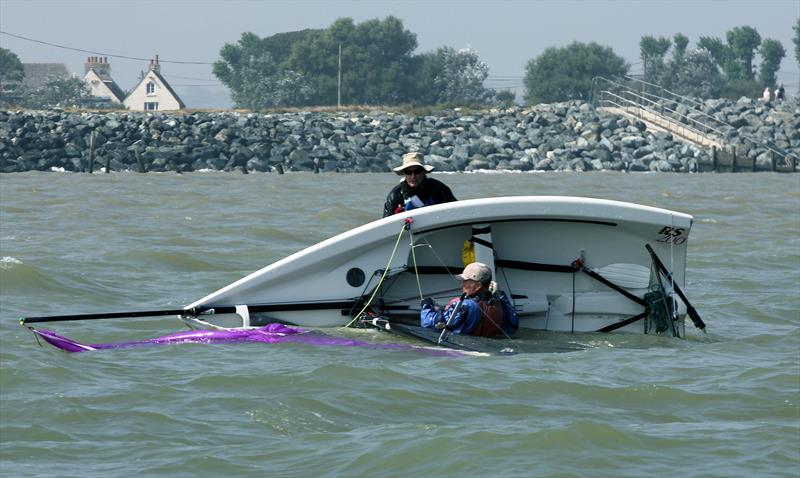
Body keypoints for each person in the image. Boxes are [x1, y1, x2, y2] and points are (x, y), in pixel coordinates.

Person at [420, 262, 519, 337]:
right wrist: (500, 296)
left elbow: (428, 323)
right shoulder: (499, 303)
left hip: (462, 347)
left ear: (478, 286)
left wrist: (426, 306)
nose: (462, 285)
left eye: (465, 281)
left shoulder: (465, 306)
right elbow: (512, 327)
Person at [382, 152, 456, 217]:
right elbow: (385, 222)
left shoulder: (439, 189)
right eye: (408, 172)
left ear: (424, 172)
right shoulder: (395, 195)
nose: (413, 176)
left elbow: (456, 211)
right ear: (404, 174)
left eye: (417, 171)